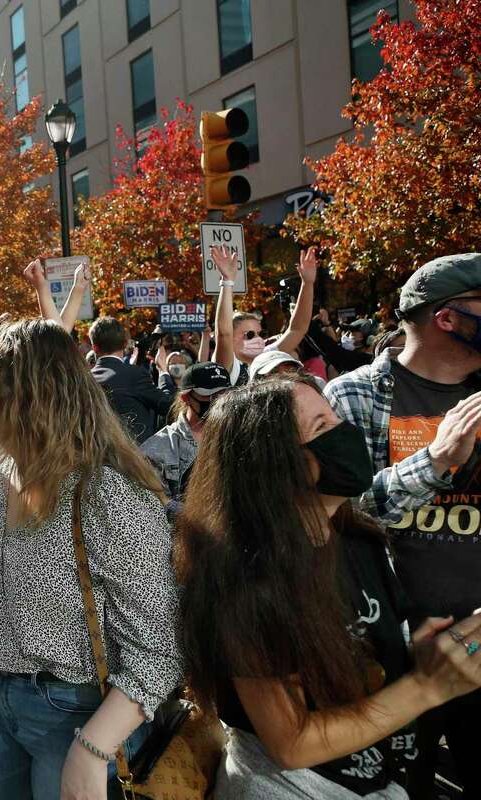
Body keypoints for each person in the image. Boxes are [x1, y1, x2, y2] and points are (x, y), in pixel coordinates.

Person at [0, 228, 181, 799]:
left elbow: (158, 648)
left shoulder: (109, 497)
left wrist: (92, 750)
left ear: (22, 401)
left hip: (75, 714)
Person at [176, 376, 481, 798]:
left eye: (336, 418)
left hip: (377, 777)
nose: (345, 434)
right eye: (322, 428)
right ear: (276, 465)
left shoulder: (359, 541)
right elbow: (292, 743)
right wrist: (428, 685)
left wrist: (422, 654)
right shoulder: (249, 585)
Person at [325, 253, 481, 797]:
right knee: (402, 788)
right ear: (449, 318)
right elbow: (340, 516)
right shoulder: (353, 396)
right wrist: (434, 461)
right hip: (395, 648)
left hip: (480, 639)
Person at [212, 245, 319, 386]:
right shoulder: (228, 365)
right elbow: (223, 334)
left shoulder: (266, 355)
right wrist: (227, 281)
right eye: (249, 335)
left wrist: (307, 283)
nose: (257, 339)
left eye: (259, 334)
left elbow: (297, 329)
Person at [141, 362, 231, 515]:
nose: (218, 401)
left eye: (224, 394)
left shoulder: (238, 435)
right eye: (210, 395)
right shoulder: (159, 448)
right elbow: (154, 507)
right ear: (186, 397)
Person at [86, 315, 172, 443]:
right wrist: (164, 372)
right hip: (133, 458)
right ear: (125, 344)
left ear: (94, 348)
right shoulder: (135, 375)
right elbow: (168, 405)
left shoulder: (83, 380)